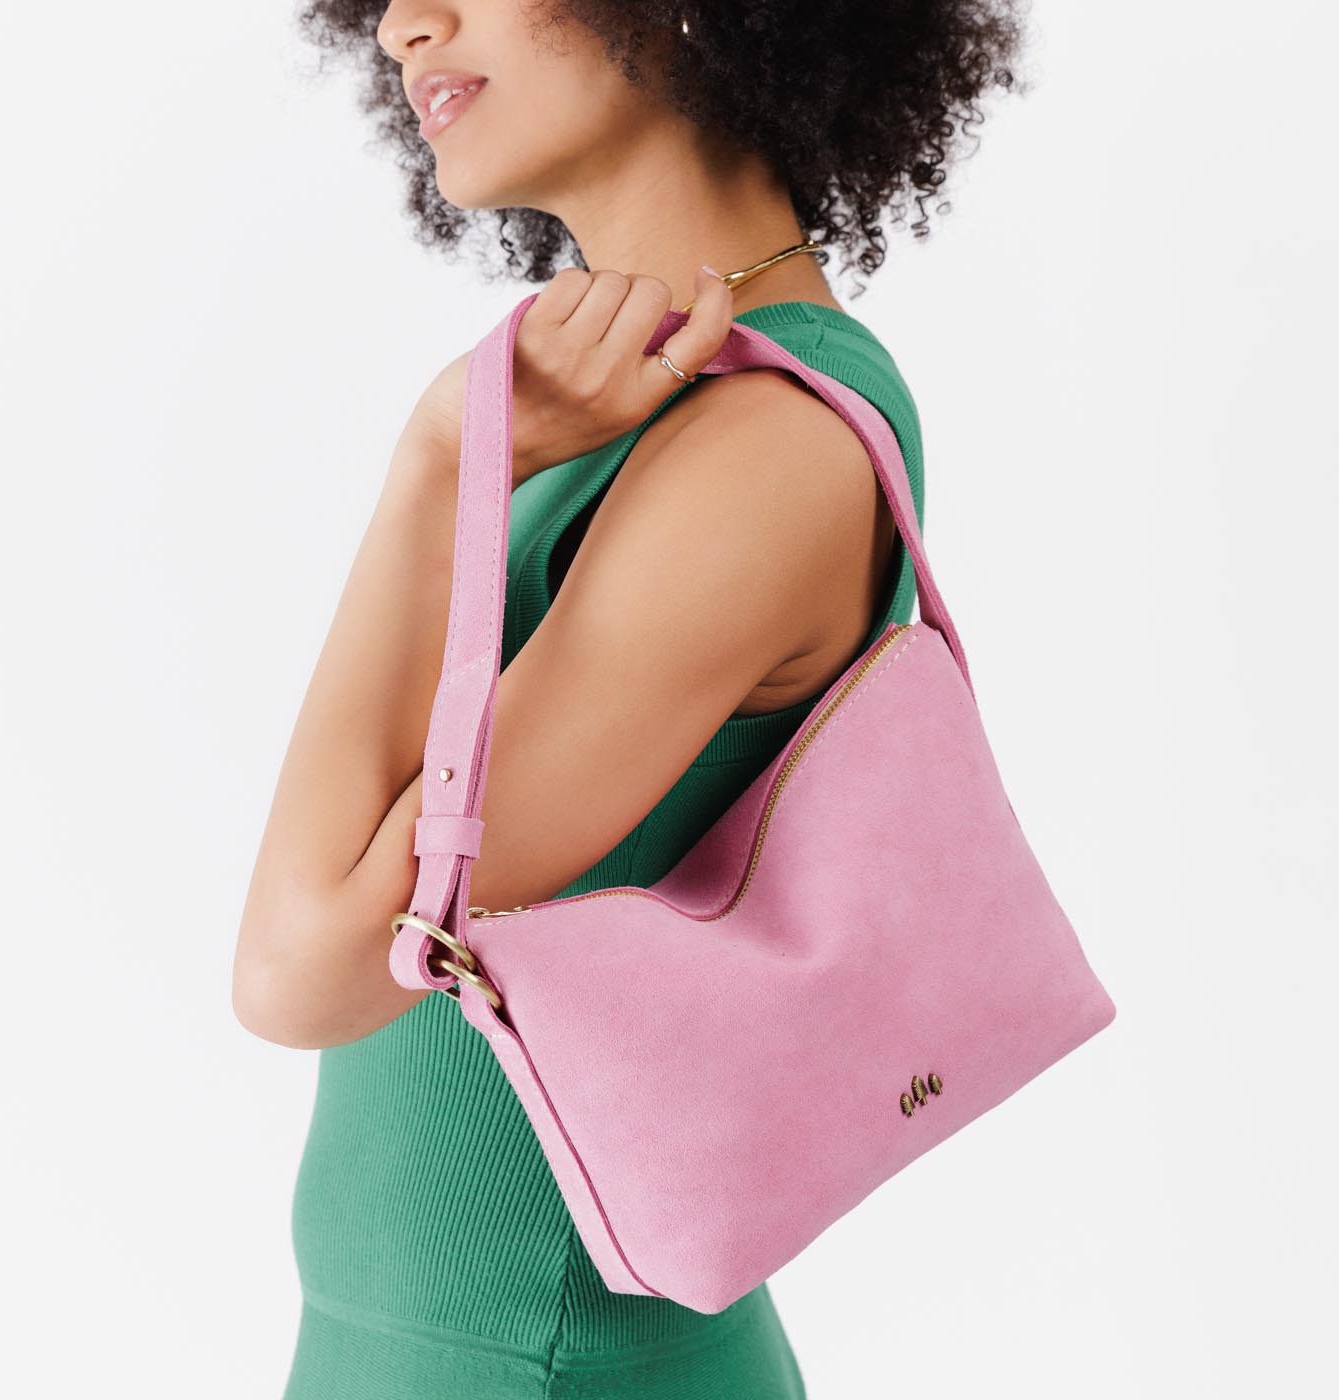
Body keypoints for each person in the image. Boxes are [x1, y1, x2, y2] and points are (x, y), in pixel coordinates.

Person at [233, 2, 1023, 1395]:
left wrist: (439, 465)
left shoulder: (767, 445)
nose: (405, 26)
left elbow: (303, 974)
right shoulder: (627, 412)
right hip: (416, 1347)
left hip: (541, 1363)